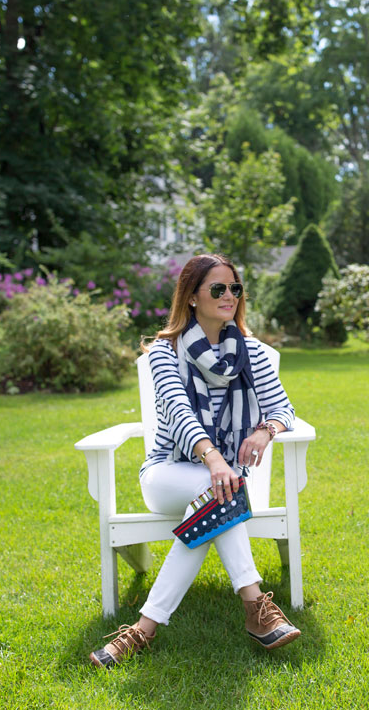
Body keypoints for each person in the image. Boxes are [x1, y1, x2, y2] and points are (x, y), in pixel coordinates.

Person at [90, 253, 300, 668]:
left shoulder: (252, 352)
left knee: (216, 499)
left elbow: (283, 409)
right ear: (190, 297)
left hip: (224, 485)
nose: (229, 296)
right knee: (220, 493)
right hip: (167, 472)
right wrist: (213, 458)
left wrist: (265, 430)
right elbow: (176, 409)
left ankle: (140, 632)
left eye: (235, 288)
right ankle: (257, 608)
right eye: (217, 288)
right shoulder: (164, 352)